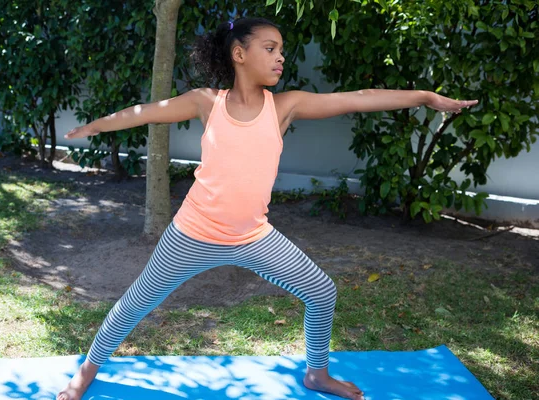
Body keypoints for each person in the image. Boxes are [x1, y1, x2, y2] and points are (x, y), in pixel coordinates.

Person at [58, 17, 477, 400]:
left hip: (252, 237)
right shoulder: (208, 102)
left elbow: (357, 98)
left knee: (321, 292)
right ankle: (87, 371)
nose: (280, 57)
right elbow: (148, 112)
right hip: (191, 235)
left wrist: (424, 96)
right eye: (270, 48)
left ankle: (316, 373)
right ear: (239, 54)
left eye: (281, 50)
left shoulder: (284, 106)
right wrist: (97, 125)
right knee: (135, 303)